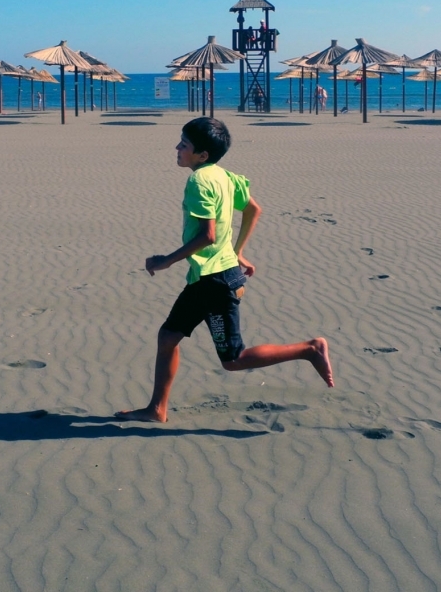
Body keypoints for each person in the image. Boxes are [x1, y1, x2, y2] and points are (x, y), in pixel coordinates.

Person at [115, 118, 333, 424]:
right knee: (167, 337)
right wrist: (238, 250)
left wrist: (166, 260)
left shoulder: (199, 181)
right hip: (206, 278)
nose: (177, 148)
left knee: (233, 360)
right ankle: (157, 409)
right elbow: (253, 209)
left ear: (202, 155)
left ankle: (309, 349)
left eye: (184, 145)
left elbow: (208, 235)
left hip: (215, 284)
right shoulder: (225, 176)